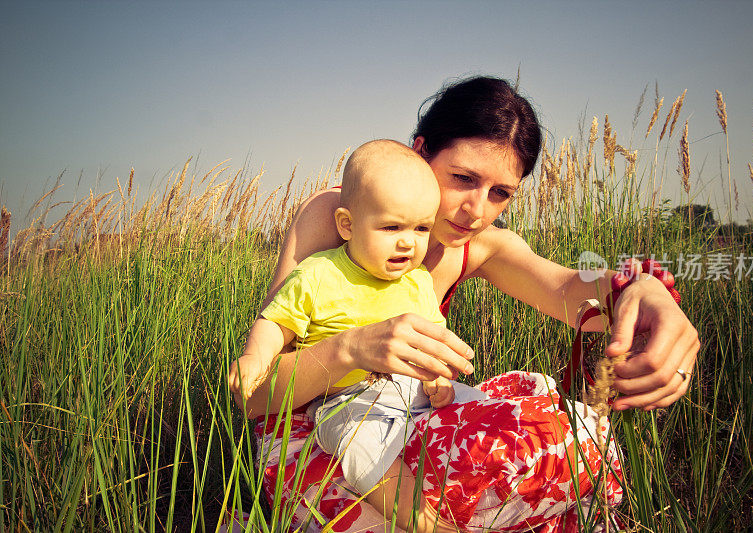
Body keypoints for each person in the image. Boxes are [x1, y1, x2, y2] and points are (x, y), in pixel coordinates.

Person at [236, 76, 699, 532]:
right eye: (463, 178)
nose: (477, 210)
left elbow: (569, 292)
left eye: (500, 193)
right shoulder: (341, 219)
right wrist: (350, 349)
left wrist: (643, 288)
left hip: (413, 415)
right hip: (322, 434)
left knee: (573, 439)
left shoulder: (479, 246)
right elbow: (254, 398)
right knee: (536, 470)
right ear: (420, 152)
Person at [230, 139, 474, 531]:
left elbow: (435, 344)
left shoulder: (417, 282)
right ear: (347, 224)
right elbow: (276, 323)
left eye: (421, 228)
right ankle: (426, 522)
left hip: (412, 395)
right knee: (366, 455)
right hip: (347, 402)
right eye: (391, 226)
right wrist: (254, 360)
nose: (408, 241)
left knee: (475, 403)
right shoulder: (319, 274)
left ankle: (486, 474)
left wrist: (441, 378)